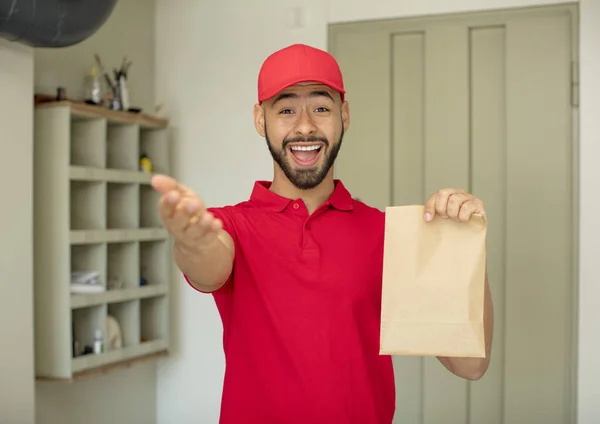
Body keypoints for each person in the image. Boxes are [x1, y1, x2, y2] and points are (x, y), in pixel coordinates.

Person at [151, 43, 494, 424]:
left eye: (321, 107)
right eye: (285, 109)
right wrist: (191, 241)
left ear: (344, 115)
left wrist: (463, 247)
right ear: (259, 119)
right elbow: (208, 264)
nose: (304, 126)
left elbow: (470, 365)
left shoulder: (387, 234)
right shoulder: (228, 226)